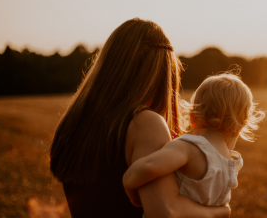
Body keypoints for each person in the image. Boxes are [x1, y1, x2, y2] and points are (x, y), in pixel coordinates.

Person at [50, 18, 230, 218]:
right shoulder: (144, 123)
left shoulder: (74, 123)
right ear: (161, 75)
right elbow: (165, 213)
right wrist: (218, 212)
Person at [123, 73, 265, 210]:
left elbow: (149, 166)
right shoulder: (232, 164)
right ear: (239, 127)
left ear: (192, 118)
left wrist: (128, 181)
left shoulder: (187, 148)